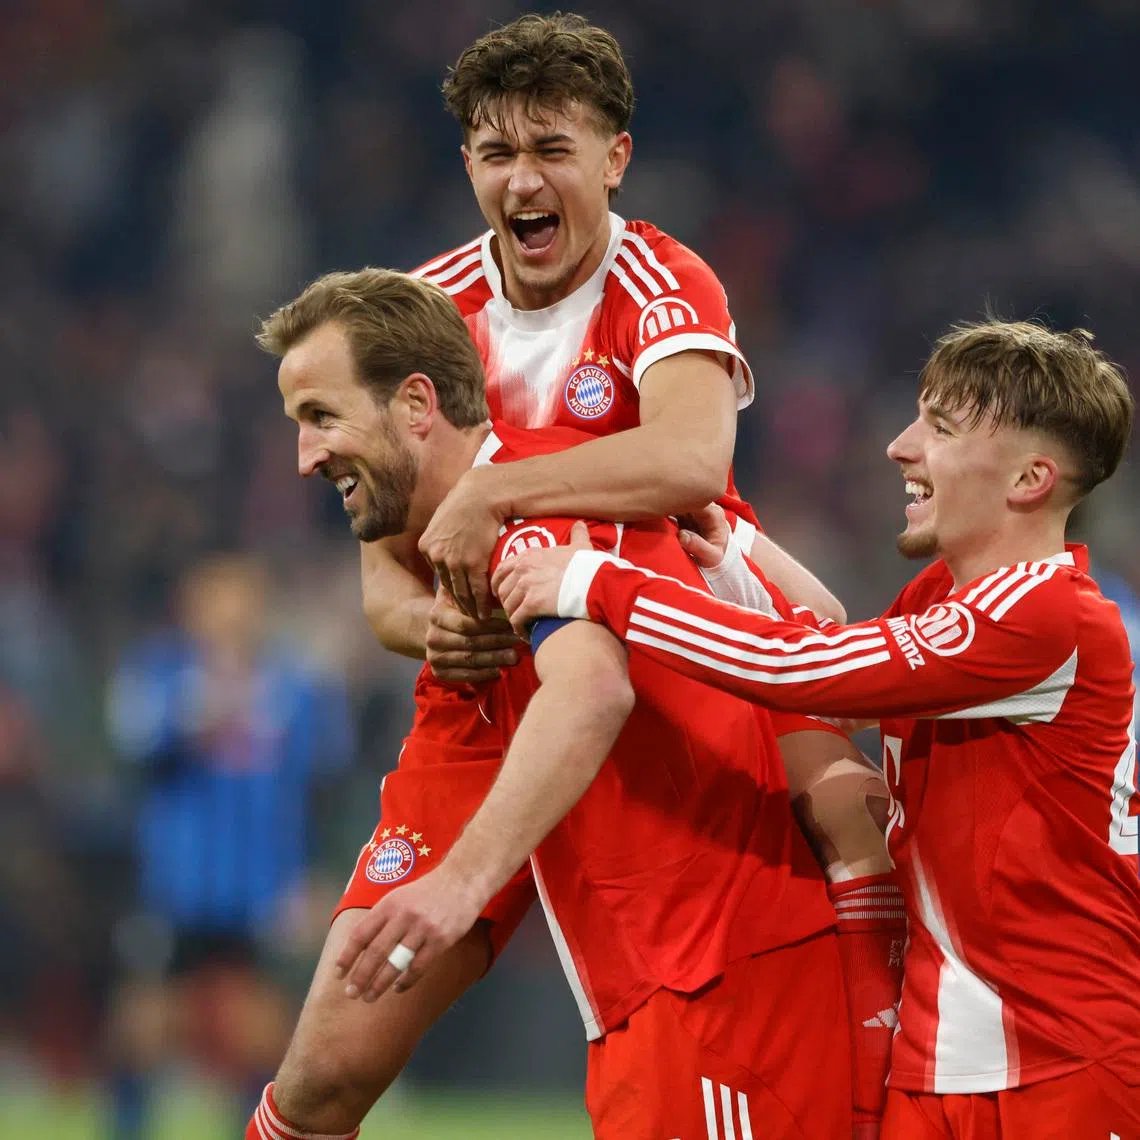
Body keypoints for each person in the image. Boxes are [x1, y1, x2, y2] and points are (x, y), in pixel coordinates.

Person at [354, 13, 900, 1134]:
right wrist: (431, 633)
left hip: (674, 620)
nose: (524, 179)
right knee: (334, 1048)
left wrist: (499, 491)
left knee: (843, 801)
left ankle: (882, 1042)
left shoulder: (661, 274)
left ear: (615, 158)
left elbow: (693, 459)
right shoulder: (425, 312)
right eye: (498, 153)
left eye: (554, 148)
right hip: (498, 686)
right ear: (465, 163)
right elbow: (383, 581)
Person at [494, 319, 1140, 1140]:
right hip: (939, 1057)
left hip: (1065, 1060)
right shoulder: (945, 598)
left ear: (1030, 478)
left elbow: (805, 672)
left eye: (939, 429)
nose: (900, 448)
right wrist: (734, 558)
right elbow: (836, 655)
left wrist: (595, 581)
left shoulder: (1049, 613)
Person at [251, 267, 853, 1140]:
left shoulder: (542, 492)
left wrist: (459, 885)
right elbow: (385, 592)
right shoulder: (442, 510)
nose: (305, 458)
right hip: (486, 726)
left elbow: (594, 685)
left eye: (320, 419)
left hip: (713, 973)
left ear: (419, 404)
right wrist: (433, 623)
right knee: (315, 1084)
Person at [105, 552, 352, 1139]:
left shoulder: (296, 687)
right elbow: (135, 749)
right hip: (178, 884)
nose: (232, 614)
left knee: (262, 1034)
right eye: (218, 600)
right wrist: (203, 706)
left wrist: (312, 875)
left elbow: (324, 785)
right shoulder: (160, 675)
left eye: (243, 600)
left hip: (262, 885)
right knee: (144, 1026)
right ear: (192, 610)